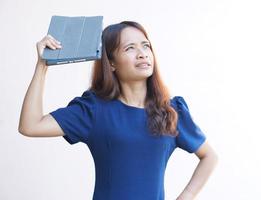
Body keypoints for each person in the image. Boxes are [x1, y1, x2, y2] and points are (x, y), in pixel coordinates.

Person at [18, 21, 218, 200]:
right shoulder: (94, 110)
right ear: (111, 62)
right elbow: (30, 125)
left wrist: (187, 196)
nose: (142, 53)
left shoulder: (171, 111)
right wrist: (42, 66)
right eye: (130, 48)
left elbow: (209, 156)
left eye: (146, 45)